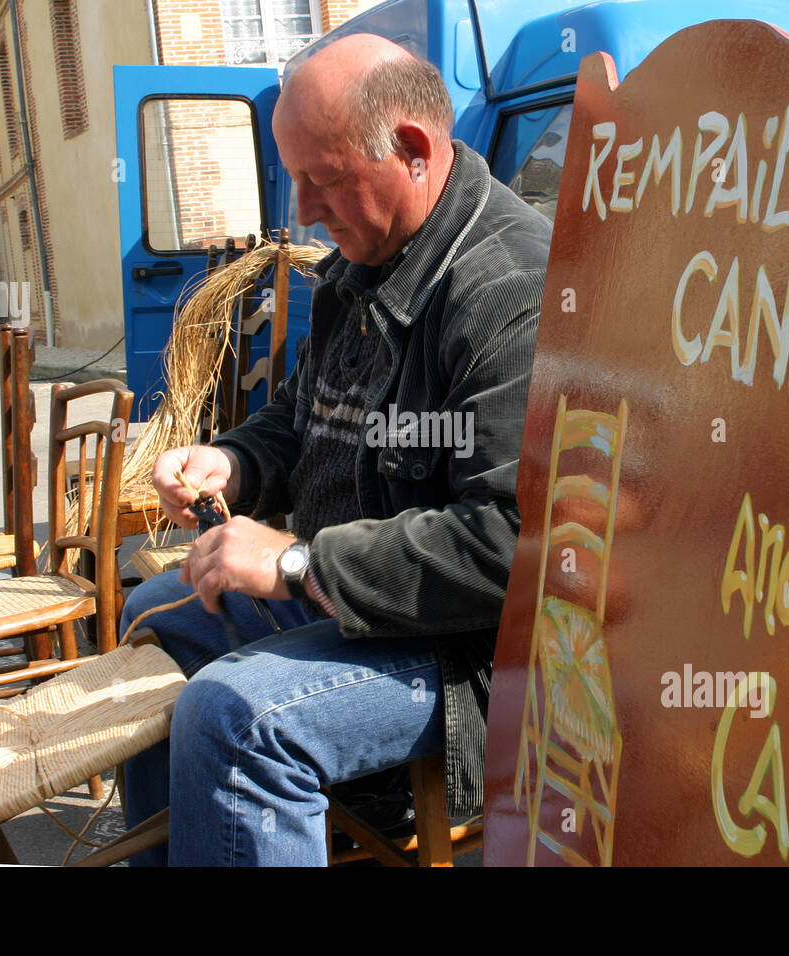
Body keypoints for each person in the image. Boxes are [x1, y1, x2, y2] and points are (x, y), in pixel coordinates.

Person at [120, 32, 552, 865]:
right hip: (344, 602)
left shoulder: (509, 292)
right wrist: (235, 463)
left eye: (322, 179)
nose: (303, 211)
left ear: (414, 151)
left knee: (235, 715)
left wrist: (295, 564)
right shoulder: (370, 253)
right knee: (154, 618)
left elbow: (511, 546)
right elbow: (300, 415)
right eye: (296, 179)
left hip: (465, 656)